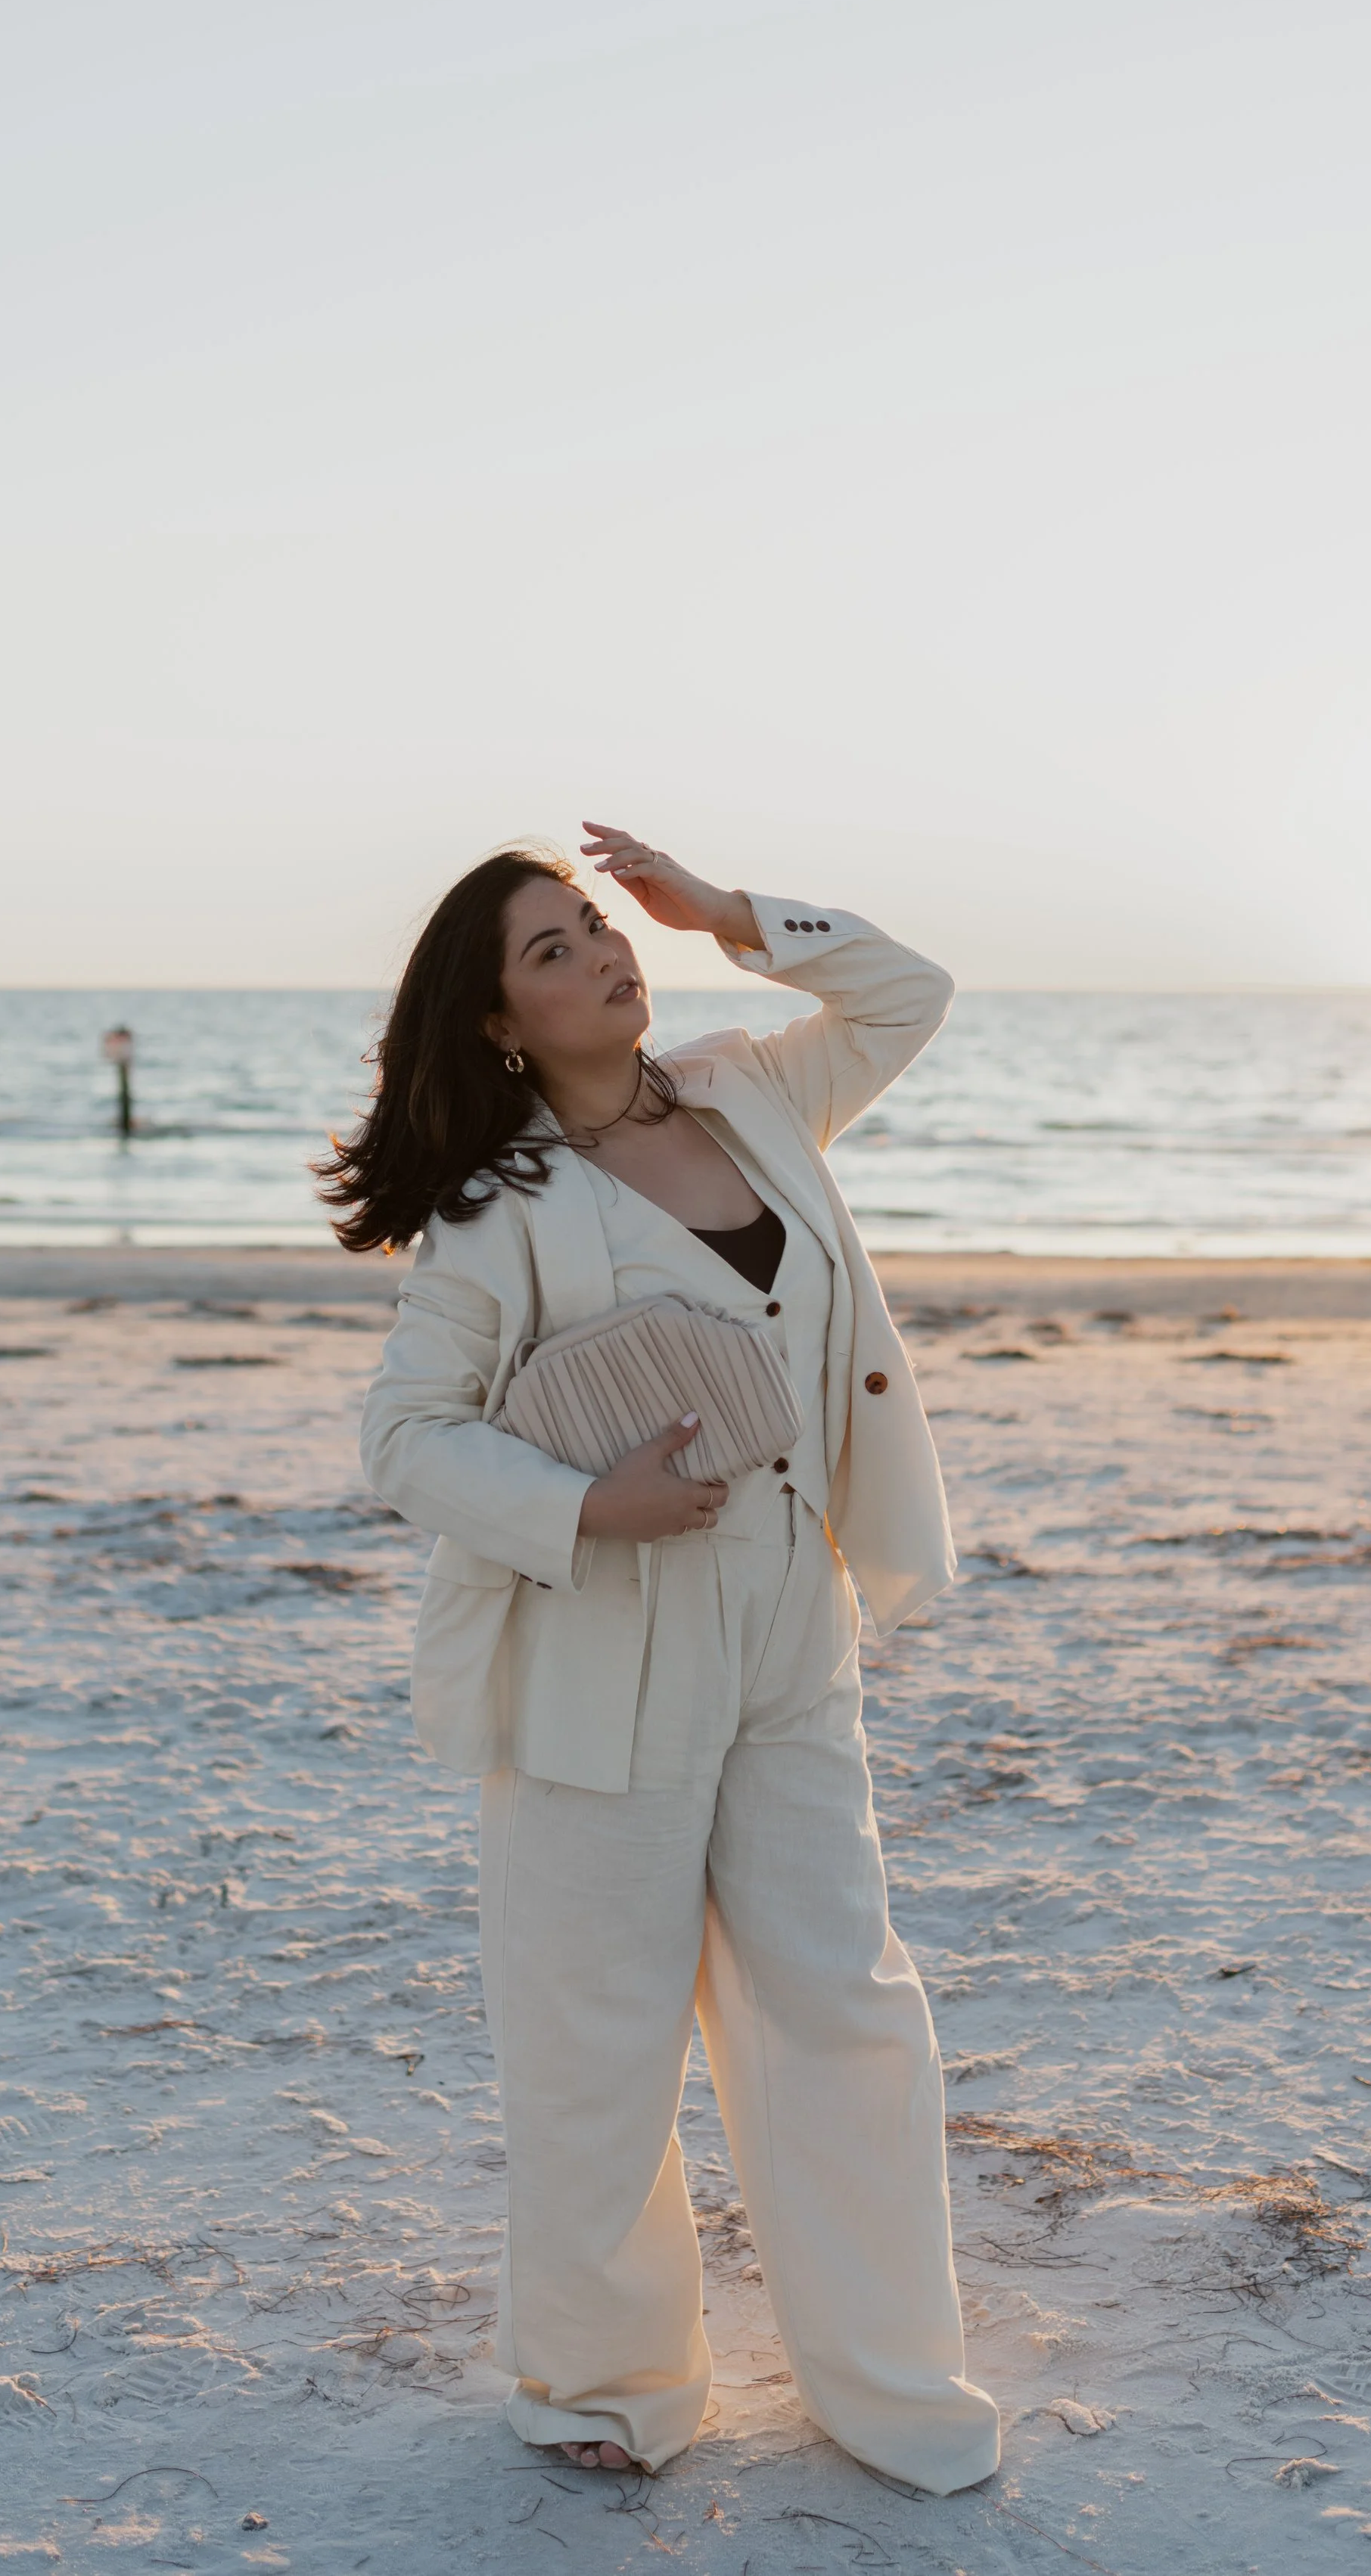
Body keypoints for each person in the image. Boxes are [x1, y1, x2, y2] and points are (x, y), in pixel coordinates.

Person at [319, 822, 999, 2495]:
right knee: (598, 2025)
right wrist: (580, 1506)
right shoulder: (497, 1212)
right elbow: (402, 1438)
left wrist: (729, 912)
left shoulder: (751, 1091)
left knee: (838, 1995)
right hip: (597, 1632)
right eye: (549, 951)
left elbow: (906, 993)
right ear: (495, 1024)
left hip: (789, 1604)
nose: (602, 957)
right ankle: (604, 2386)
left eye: (599, 927)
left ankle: (885, 2380)